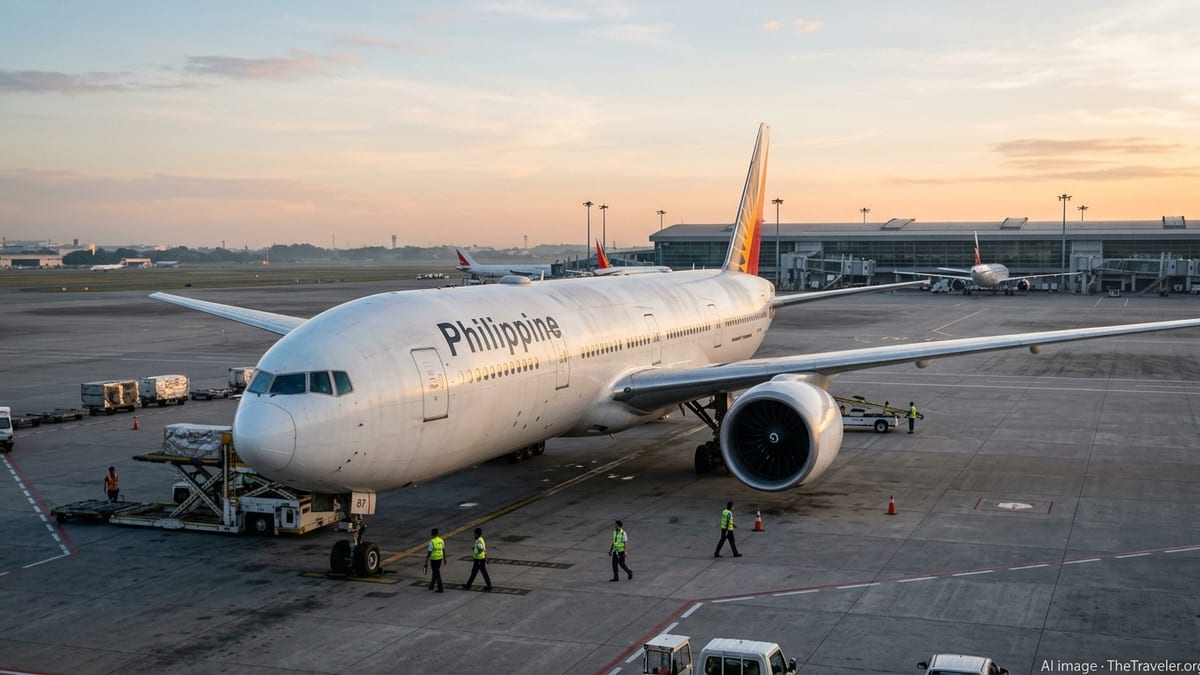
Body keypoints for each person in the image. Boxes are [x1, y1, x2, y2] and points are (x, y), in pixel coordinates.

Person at [464, 527, 492, 591]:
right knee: (479, 572)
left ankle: (468, 585)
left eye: (474, 534)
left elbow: (481, 549)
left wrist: (475, 551)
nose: (474, 535)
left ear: (476, 534)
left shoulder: (479, 540)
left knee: (475, 572)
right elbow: (483, 548)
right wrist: (486, 557)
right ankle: (468, 585)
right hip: (480, 559)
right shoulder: (481, 539)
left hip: (479, 559)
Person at [425, 528, 446, 592]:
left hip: (434, 559)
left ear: (432, 534)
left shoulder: (432, 541)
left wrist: (426, 560)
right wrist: (444, 558)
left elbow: (429, 552)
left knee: (436, 573)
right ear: (437, 533)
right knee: (435, 572)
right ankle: (432, 585)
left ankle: (440, 588)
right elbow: (443, 550)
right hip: (440, 558)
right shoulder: (441, 540)